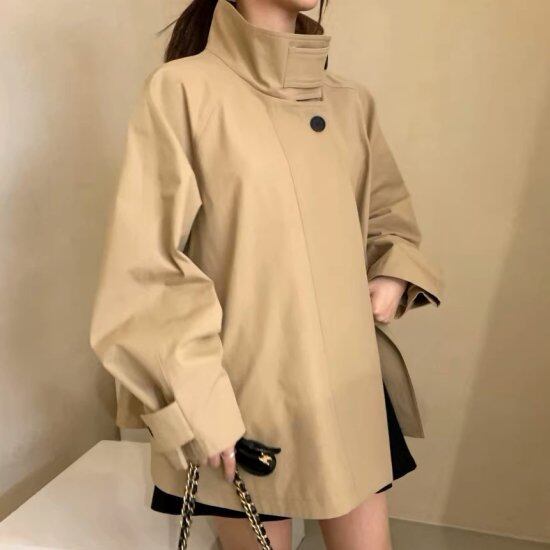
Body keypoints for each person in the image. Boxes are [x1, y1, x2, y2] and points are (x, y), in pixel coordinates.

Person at [89, 0, 443, 548]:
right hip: (241, 397)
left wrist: (391, 274)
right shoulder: (183, 91)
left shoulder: (351, 102)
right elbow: (146, 270)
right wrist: (198, 405)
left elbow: (387, 214)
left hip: (346, 389)